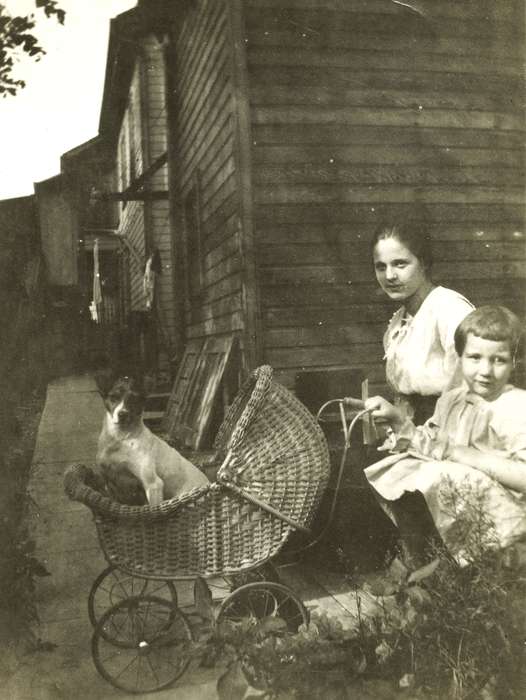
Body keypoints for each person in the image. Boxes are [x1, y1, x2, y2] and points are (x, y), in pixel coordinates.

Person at [364, 306, 526, 566]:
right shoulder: (452, 400)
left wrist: (465, 455)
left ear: (514, 362)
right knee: (400, 468)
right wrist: (397, 419)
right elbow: (432, 444)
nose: (485, 370)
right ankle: (425, 563)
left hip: (507, 517)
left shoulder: (516, 406)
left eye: (499, 360)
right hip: (460, 509)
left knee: (435, 474)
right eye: (474, 357)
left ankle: (467, 567)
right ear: (459, 358)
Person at [373, 221, 474, 424]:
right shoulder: (398, 323)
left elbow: (471, 389)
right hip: (416, 433)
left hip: (454, 429)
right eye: (381, 267)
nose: (390, 276)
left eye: (400, 264)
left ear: (424, 263)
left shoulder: (449, 308)